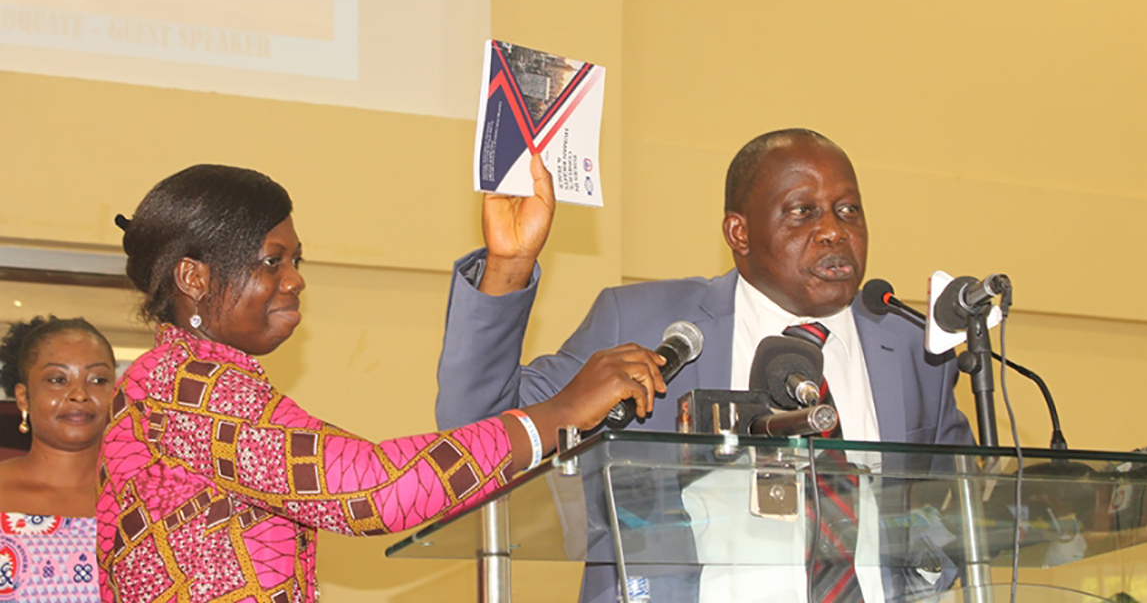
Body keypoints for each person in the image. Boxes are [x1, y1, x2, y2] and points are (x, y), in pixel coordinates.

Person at [436, 129, 976, 602]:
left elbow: (961, 506)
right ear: (739, 233)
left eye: (848, 209)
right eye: (802, 211)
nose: (834, 230)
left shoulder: (910, 344)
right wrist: (508, 266)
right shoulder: (644, 323)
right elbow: (475, 434)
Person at [96, 164, 665, 603]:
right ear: (193, 276)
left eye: (296, 259)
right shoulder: (185, 387)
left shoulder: (188, 383)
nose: (295, 280)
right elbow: (374, 490)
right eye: (273, 261)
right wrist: (558, 414)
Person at [0, 316, 117, 602]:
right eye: (57, 380)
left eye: (98, 380)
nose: (79, 394)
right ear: (24, 397)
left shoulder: (142, 500)